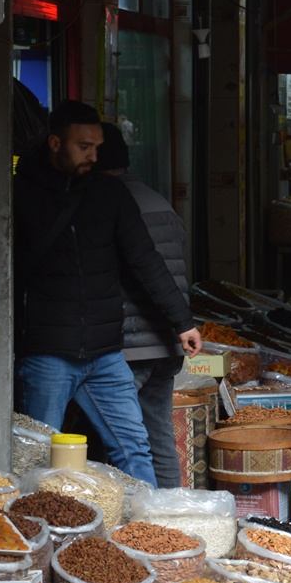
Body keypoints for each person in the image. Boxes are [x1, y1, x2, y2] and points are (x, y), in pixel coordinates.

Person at [12, 100, 200, 488]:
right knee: (41, 456)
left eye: (97, 147)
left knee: (134, 448)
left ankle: (148, 532)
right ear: (54, 143)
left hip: (106, 354)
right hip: (48, 353)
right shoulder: (21, 194)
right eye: (84, 146)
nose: (93, 155)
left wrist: (181, 321)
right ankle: (49, 536)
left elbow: (145, 259)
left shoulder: (109, 193)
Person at [95, 121, 198, 488]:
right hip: (168, 341)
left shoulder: (109, 204)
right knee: (158, 434)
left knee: (122, 442)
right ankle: (169, 510)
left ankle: (130, 520)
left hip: (130, 345)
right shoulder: (160, 201)